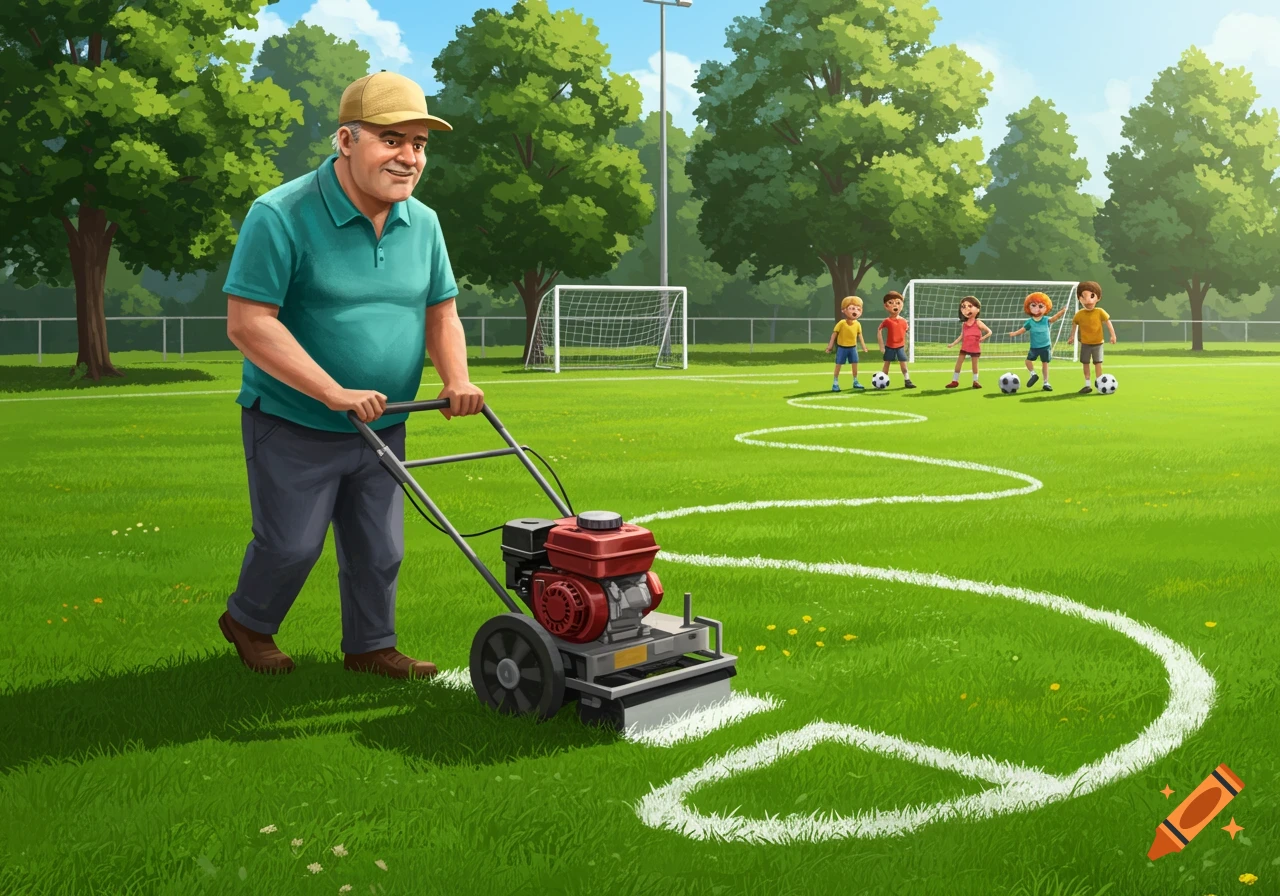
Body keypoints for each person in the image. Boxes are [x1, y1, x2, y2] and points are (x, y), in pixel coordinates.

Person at [217, 71, 485, 678]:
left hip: (384, 422)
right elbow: (249, 323)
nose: (409, 158)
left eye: (419, 144)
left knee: (380, 548)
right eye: (392, 139)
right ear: (346, 139)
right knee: (291, 546)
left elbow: (440, 312)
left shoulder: (425, 223)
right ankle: (248, 622)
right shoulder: (279, 214)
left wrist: (456, 379)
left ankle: (370, 646)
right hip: (294, 421)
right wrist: (331, 391)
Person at [1007, 292, 1068, 391]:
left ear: (1046, 307)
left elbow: (1054, 318)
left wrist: (1062, 311)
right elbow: (1023, 329)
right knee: (1028, 361)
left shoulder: (1046, 320)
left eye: (1041, 306)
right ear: (1028, 307)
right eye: (1033, 305)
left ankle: (1046, 383)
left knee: (1045, 363)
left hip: (1045, 346)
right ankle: (1033, 374)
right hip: (1034, 347)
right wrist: (1014, 333)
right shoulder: (1030, 321)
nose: (1037, 309)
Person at [1067, 280, 1117, 393]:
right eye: (1083, 296)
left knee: (1098, 363)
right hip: (1085, 343)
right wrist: (1071, 337)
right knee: (1085, 363)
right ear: (1079, 298)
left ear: (1098, 297)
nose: (1088, 300)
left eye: (1091, 296)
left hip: (1098, 343)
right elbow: (1074, 324)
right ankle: (1087, 384)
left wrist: (1113, 335)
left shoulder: (1100, 312)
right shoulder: (1079, 314)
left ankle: (1100, 383)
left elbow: (1108, 322)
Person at [945, 296, 992, 388]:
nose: (966, 309)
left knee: (974, 364)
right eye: (963, 307)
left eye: (970, 306)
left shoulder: (978, 322)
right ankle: (955, 381)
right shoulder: (964, 324)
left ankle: (975, 381)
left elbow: (989, 332)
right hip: (965, 347)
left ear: (977, 309)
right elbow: (962, 336)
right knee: (959, 362)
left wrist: (983, 338)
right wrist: (953, 344)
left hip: (975, 348)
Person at [825, 296, 868, 391]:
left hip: (853, 348)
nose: (855, 311)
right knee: (839, 364)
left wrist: (864, 347)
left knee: (855, 363)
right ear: (844, 310)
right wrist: (830, 346)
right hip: (842, 348)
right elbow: (834, 335)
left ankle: (855, 381)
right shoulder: (841, 323)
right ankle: (835, 382)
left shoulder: (857, 324)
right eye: (852, 308)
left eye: (858, 309)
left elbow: (860, 336)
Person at [877, 291, 915, 388]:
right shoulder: (887, 321)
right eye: (891, 303)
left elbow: (906, 334)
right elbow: (879, 331)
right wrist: (881, 346)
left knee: (903, 363)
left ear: (902, 305)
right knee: (887, 363)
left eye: (898, 303)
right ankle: (883, 380)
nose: (895, 305)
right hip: (889, 346)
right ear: (886, 306)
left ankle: (907, 380)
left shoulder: (904, 321)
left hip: (900, 347)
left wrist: (906, 345)